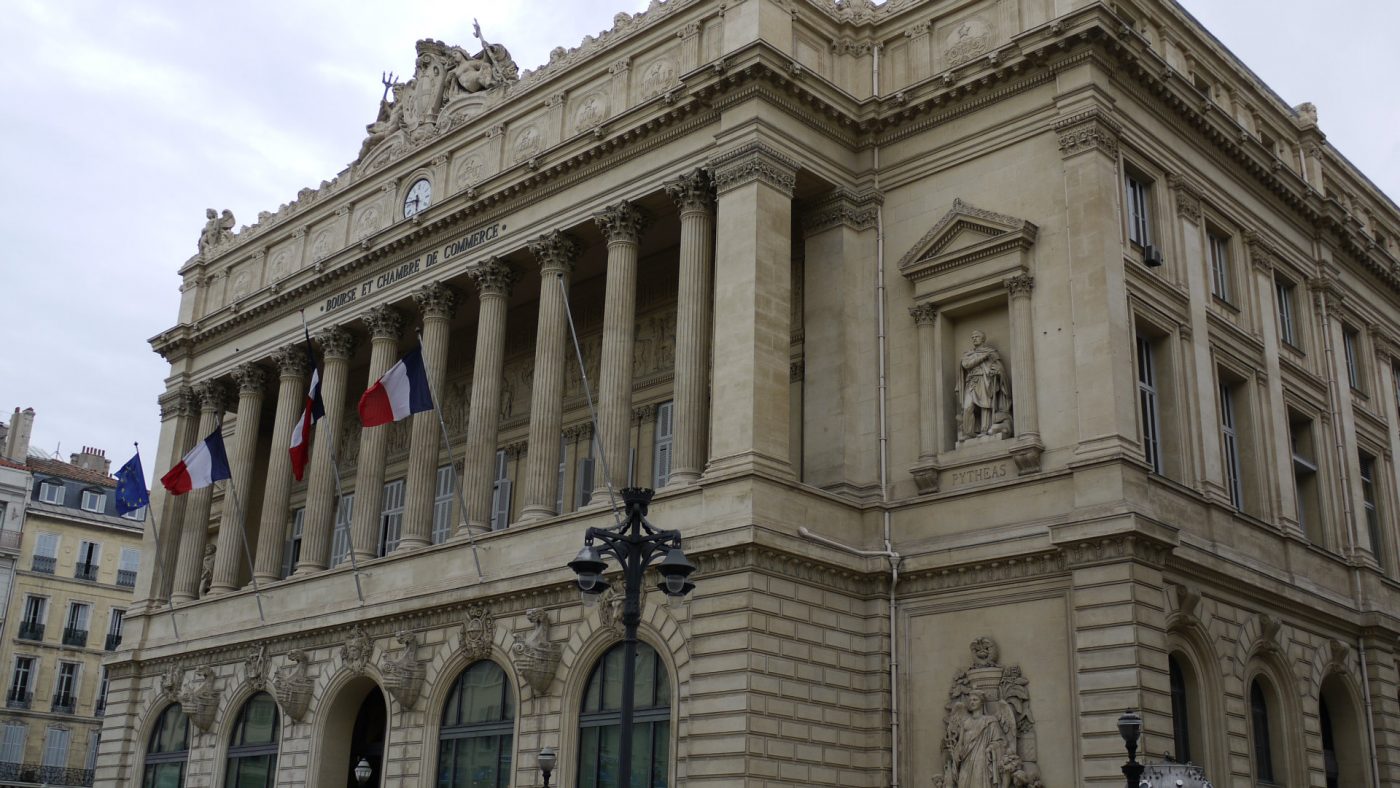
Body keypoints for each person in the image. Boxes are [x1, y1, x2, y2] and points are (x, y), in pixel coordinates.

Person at [958, 330, 1011, 440]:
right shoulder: (968, 354)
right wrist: (983, 357)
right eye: (972, 337)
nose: (974, 338)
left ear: (983, 339)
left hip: (985, 380)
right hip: (972, 382)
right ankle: (968, 433)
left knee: (985, 405)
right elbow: (966, 364)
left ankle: (984, 430)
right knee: (967, 407)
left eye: (976, 336)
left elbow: (1000, 368)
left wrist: (997, 371)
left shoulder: (991, 353)